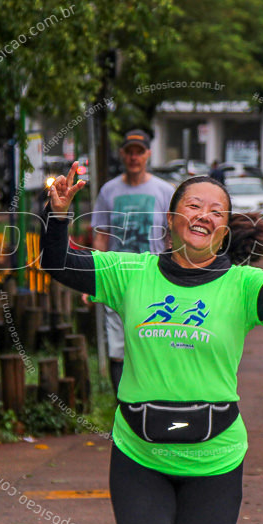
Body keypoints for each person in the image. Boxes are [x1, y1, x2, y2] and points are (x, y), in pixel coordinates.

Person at [43, 164, 263, 524]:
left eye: (217, 211)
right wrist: (57, 214)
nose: (204, 215)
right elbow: (58, 261)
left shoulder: (244, 285)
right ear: (170, 219)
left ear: (225, 229)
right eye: (193, 205)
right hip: (139, 459)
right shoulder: (130, 272)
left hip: (214, 463)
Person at [91, 129, 175, 394]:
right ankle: (123, 407)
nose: (134, 157)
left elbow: (172, 236)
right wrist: (95, 276)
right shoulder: (109, 190)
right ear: (122, 154)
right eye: (129, 151)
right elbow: (101, 236)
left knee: (153, 341)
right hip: (118, 277)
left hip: (154, 278)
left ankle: (151, 400)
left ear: (148, 154)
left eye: (139, 151)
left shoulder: (164, 190)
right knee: (118, 347)